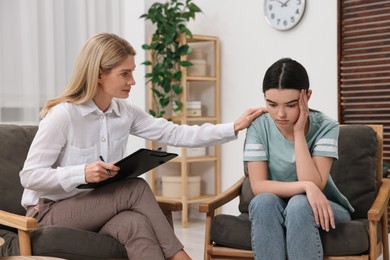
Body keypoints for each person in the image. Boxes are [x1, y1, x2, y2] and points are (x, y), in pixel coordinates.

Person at [19, 32, 264, 260]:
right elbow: (29, 176)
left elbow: (175, 132)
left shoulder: (125, 114)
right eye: (125, 74)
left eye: (132, 72)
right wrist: (82, 172)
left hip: (99, 209)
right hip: (50, 214)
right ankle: (181, 256)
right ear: (99, 74)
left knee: (134, 224)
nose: (133, 81)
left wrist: (233, 126)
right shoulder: (63, 116)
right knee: (135, 187)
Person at [243, 58, 354, 260]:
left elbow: (315, 183)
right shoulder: (258, 126)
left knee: (299, 204)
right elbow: (258, 186)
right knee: (263, 202)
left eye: (291, 105)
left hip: (325, 205)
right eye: (272, 104)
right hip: (278, 203)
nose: (280, 114)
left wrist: (299, 134)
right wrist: (306, 187)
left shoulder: (327, 127)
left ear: (307, 96)